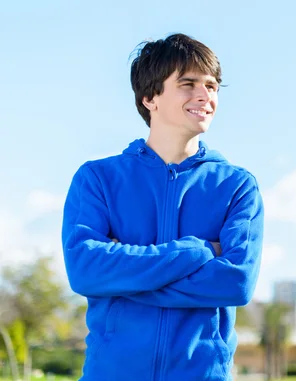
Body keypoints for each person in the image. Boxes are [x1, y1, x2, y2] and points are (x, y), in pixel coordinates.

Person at [61, 33, 264, 381]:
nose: (206, 96)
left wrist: (124, 276)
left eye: (212, 86)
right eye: (188, 84)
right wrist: (198, 251)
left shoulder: (236, 186)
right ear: (150, 97)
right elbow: (85, 270)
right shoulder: (98, 179)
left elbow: (236, 283)